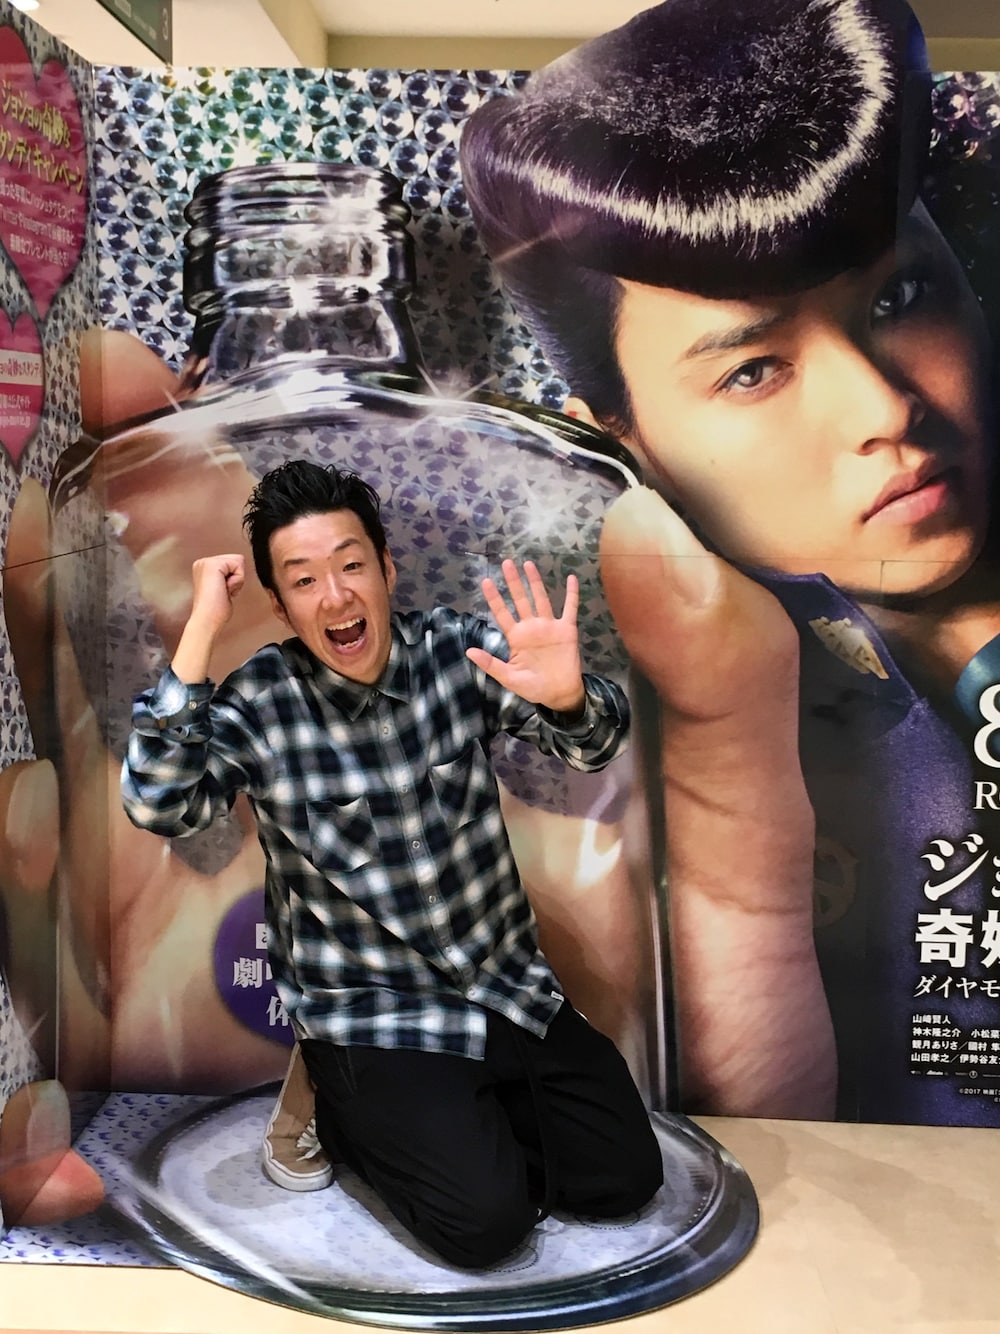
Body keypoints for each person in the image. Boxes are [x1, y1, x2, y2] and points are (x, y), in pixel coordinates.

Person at [460, 0, 1000, 1126]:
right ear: (621, 444)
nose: (883, 408)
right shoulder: (613, 751)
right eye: (753, 370)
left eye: (900, 296)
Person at [119, 458, 662, 1268]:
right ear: (281, 606)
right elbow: (162, 806)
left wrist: (569, 700)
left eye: (351, 566)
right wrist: (199, 632)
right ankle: (342, 1110)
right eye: (304, 581)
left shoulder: (452, 652)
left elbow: (595, 746)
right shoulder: (263, 701)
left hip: (500, 985)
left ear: (386, 570)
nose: (335, 597)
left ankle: (462, 1123)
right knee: (485, 1228)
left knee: (623, 1179)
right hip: (374, 1012)